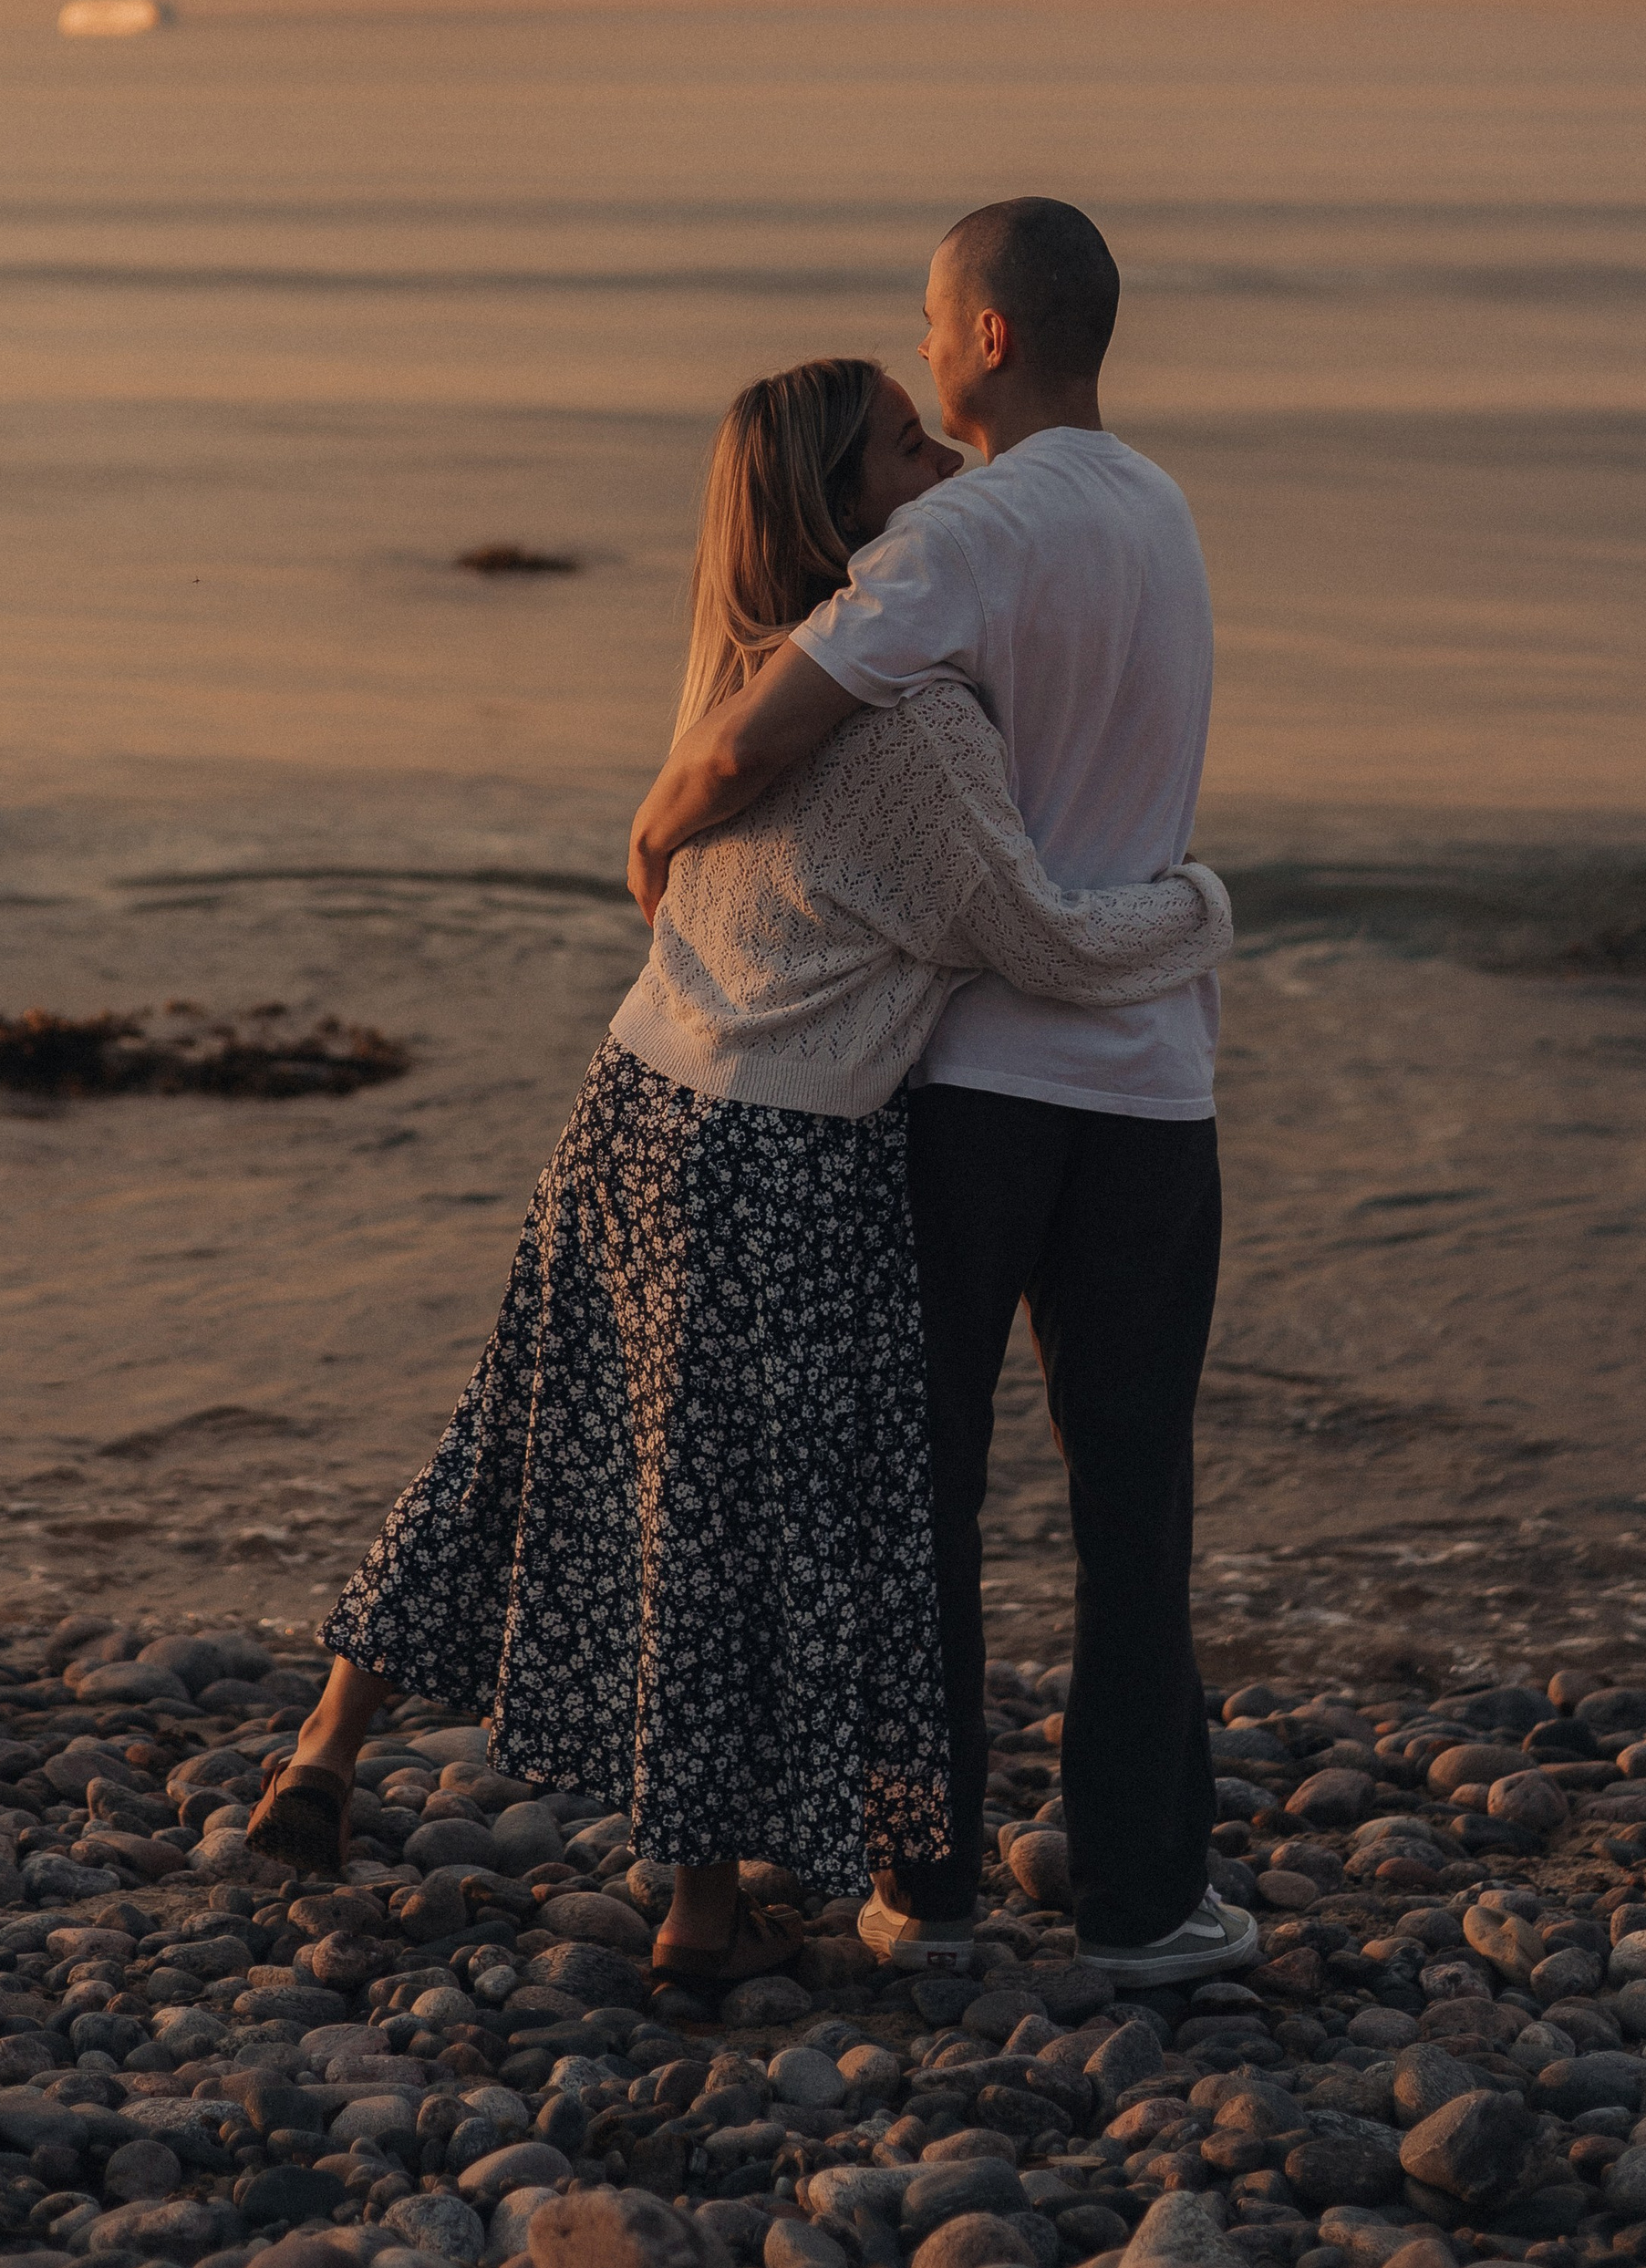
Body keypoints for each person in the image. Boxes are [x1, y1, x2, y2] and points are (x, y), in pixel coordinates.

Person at [252, 353, 1233, 1990]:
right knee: (728, 1517)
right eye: (904, 453)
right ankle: (700, 1916)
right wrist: (1202, 904)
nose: (940, 468)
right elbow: (1045, 939)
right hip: (770, 1152)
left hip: (629, 1102)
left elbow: (710, 821)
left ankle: (322, 1744)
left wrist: (645, 835)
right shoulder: (913, 728)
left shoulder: (739, 675)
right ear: (838, 507)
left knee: (519, 1440)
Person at [626, 202, 1257, 1988]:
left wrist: (654, 829)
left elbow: (752, 729)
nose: (917, 348)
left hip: (970, 1084)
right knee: (1134, 1500)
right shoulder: (1163, 509)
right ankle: (1144, 1902)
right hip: (1149, 1079)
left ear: (987, 335)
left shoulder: (957, 532)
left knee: (924, 1497)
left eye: (927, 317)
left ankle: (927, 1887)